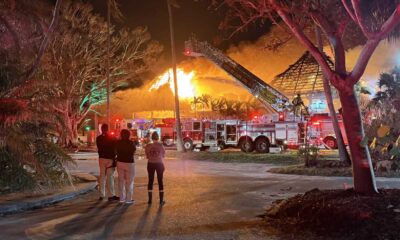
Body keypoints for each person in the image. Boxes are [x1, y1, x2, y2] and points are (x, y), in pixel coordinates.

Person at [96, 124, 118, 201]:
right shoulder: (112, 138)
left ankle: (102, 195)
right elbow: (116, 148)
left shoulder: (98, 138)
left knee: (102, 176)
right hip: (110, 159)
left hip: (101, 159)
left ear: (101, 129)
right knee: (110, 177)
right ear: (107, 129)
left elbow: (99, 148)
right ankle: (111, 195)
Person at [115, 129, 136, 204]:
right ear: (129, 135)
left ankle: (121, 198)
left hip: (120, 162)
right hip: (129, 163)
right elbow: (133, 151)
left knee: (121, 181)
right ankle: (128, 199)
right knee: (129, 182)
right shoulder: (131, 143)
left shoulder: (118, 142)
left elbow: (116, 151)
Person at [145, 132, 166, 205]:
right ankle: (161, 200)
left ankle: (150, 200)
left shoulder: (148, 146)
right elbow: (163, 155)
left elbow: (147, 156)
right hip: (159, 164)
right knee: (160, 181)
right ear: (158, 137)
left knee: (150, 181)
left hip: (150, 164)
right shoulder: (161, 145)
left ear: (152, 138)